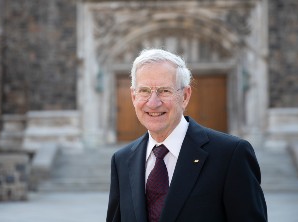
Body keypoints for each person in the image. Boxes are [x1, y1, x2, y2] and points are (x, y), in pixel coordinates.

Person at [106, 48, 267, 222]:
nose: (153, 103)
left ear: (185, 96)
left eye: (164, 91)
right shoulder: (122, 160)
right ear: (133, 96)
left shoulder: (231, 155)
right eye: (144, 91)